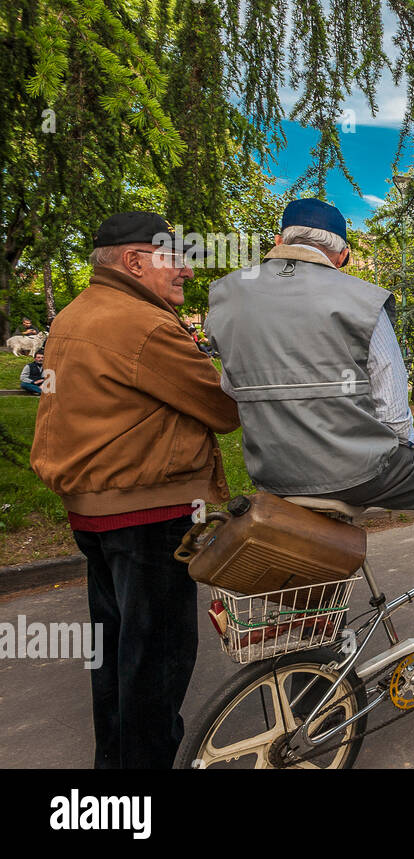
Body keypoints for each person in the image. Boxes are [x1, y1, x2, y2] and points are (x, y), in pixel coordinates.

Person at [208, 199, 414, 658]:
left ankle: (300, 634)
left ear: (279, 241)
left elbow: (232, 388)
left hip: (271, 471)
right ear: (343, 255)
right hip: (356, 468)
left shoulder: (227, 296)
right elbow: (391, 404)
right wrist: (407, 451)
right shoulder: (360, 300)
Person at [31, 211, 241, 768]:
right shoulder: (143, 325)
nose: (187, 274)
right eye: (176, 258)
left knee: (118, 655)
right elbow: (222, 408)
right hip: (148, 513)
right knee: (157, 663)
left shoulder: (77, 313)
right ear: (134, 261)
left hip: (96, 514)